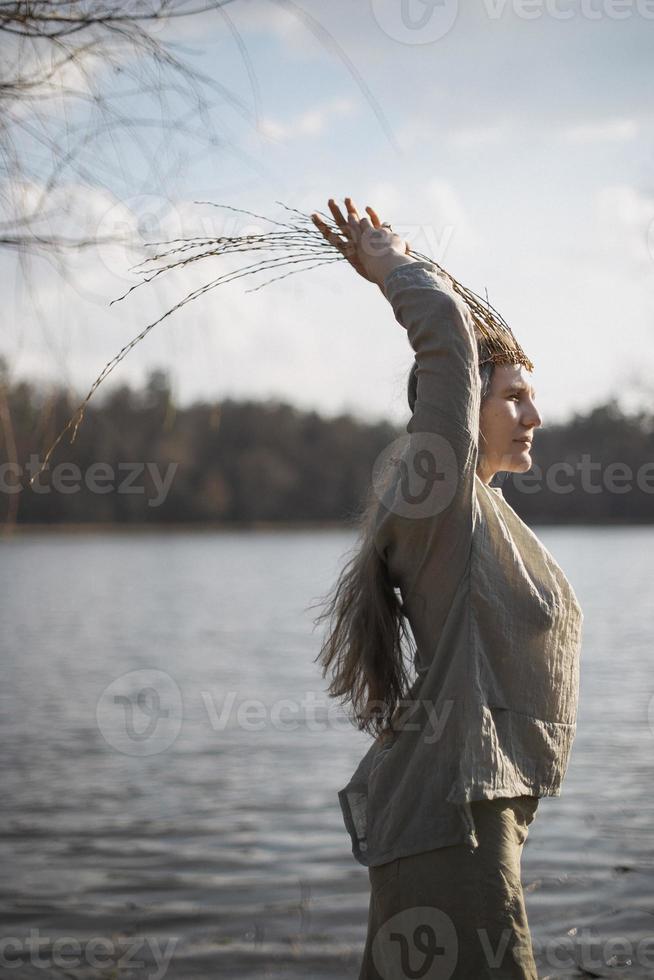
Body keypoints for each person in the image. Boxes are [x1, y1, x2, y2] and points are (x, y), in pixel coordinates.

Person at [310, 197, 585, 979]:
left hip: (469, 818)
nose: (535, 413)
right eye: (513, 396)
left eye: (533, 393)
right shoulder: (439, 508)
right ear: (466, 412)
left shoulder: (481, 517)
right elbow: (450, 347)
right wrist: (395, 266)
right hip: (451, 826)